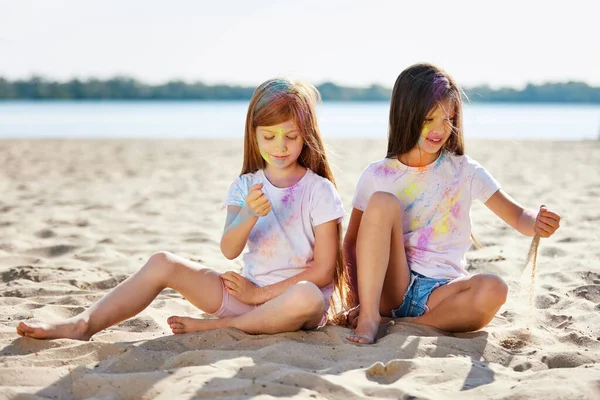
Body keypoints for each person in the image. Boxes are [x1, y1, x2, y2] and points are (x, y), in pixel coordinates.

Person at [17, 78, 353, 341]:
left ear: (306, 134)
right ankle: (83, 324)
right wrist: (249, 214)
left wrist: (259, 294)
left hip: (292, 306)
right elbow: (228, 248)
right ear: (254, 136)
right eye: (269, 137)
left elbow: (323, 272)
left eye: (290, 136)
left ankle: (222, 328)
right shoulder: (245, 185)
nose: (280, 146)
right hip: (245, 295)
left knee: (308, 296)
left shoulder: (318, 190)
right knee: (163, 262)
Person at [344, 63, 561, 344]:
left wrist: (537, 221)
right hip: (390, 288)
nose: (439, 130)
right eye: (428, 119)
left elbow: (518, 217)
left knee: (495, 288)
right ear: (405, 116)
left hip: (443, 293)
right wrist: (356, 301)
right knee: (383, 202)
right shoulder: (377, 175)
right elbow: (351, 243)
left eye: (448, 119)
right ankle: (372, 317)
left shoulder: (466, 171)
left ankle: (407, 324)